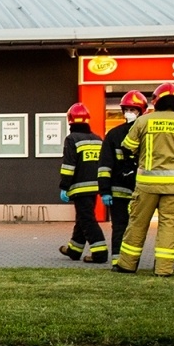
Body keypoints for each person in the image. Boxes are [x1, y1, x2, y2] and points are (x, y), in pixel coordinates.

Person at [114, 82, 174, 276]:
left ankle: (127, 265)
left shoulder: (144, 121)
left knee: (138, 223)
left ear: (156, 101)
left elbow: (127, 146)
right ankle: (163, 269)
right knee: (168, 225)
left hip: (147, 184)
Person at [57, 102, 107, 263]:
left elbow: (68, 166)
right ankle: (74, 249)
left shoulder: (72, 139)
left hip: (79, 187)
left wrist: (64, 186)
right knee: (82, 217)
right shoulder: (97, 138)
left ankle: (100, 252)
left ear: (70, 120)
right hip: (95, 186)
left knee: (87, 219)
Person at [98, 90, 147, 251]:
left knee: (136, 227)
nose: (129, 113)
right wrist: (105, 190)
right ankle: (117, 259)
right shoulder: (114, 134)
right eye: (126, 110)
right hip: (120, 189)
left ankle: (129, 260)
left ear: (141, 111)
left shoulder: (147, 133)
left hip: (142, 189)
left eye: (132, 110)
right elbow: (105, 165)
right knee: (120, 226)